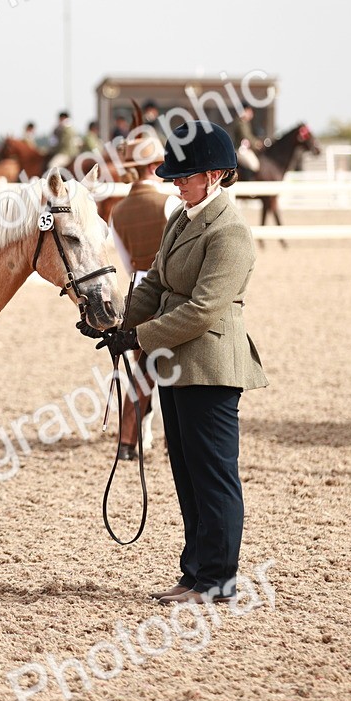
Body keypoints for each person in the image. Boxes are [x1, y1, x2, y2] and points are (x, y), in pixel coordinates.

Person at [86, 121, 268, 605]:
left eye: (184, 176)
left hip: (210, 365)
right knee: (186, 472)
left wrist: (138, 335)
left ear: (214, 175)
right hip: (176, 363)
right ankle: (195, 573)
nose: (175, 182)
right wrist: (115, 322)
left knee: (213, 474)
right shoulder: (181, 219)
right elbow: (155, 284)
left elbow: (204, 308)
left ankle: (219, 579)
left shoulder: (229, 231)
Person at [106, 131, 182, 460]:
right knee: (177, 367)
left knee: (142, 369)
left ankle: (128, 441)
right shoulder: (170, 203)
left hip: (137, 290)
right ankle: (173, 437)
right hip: (168, 292)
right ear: (156, 165)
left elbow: (124, 262)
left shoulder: (117, 212)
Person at [228, 104, 262, 172]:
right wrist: (256, 143)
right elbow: (246, 136)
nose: (251, 114)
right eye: (249, 112)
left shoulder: (245, 123)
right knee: (254, 165)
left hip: (244, 149)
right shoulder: (240, 122)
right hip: (240, 150)